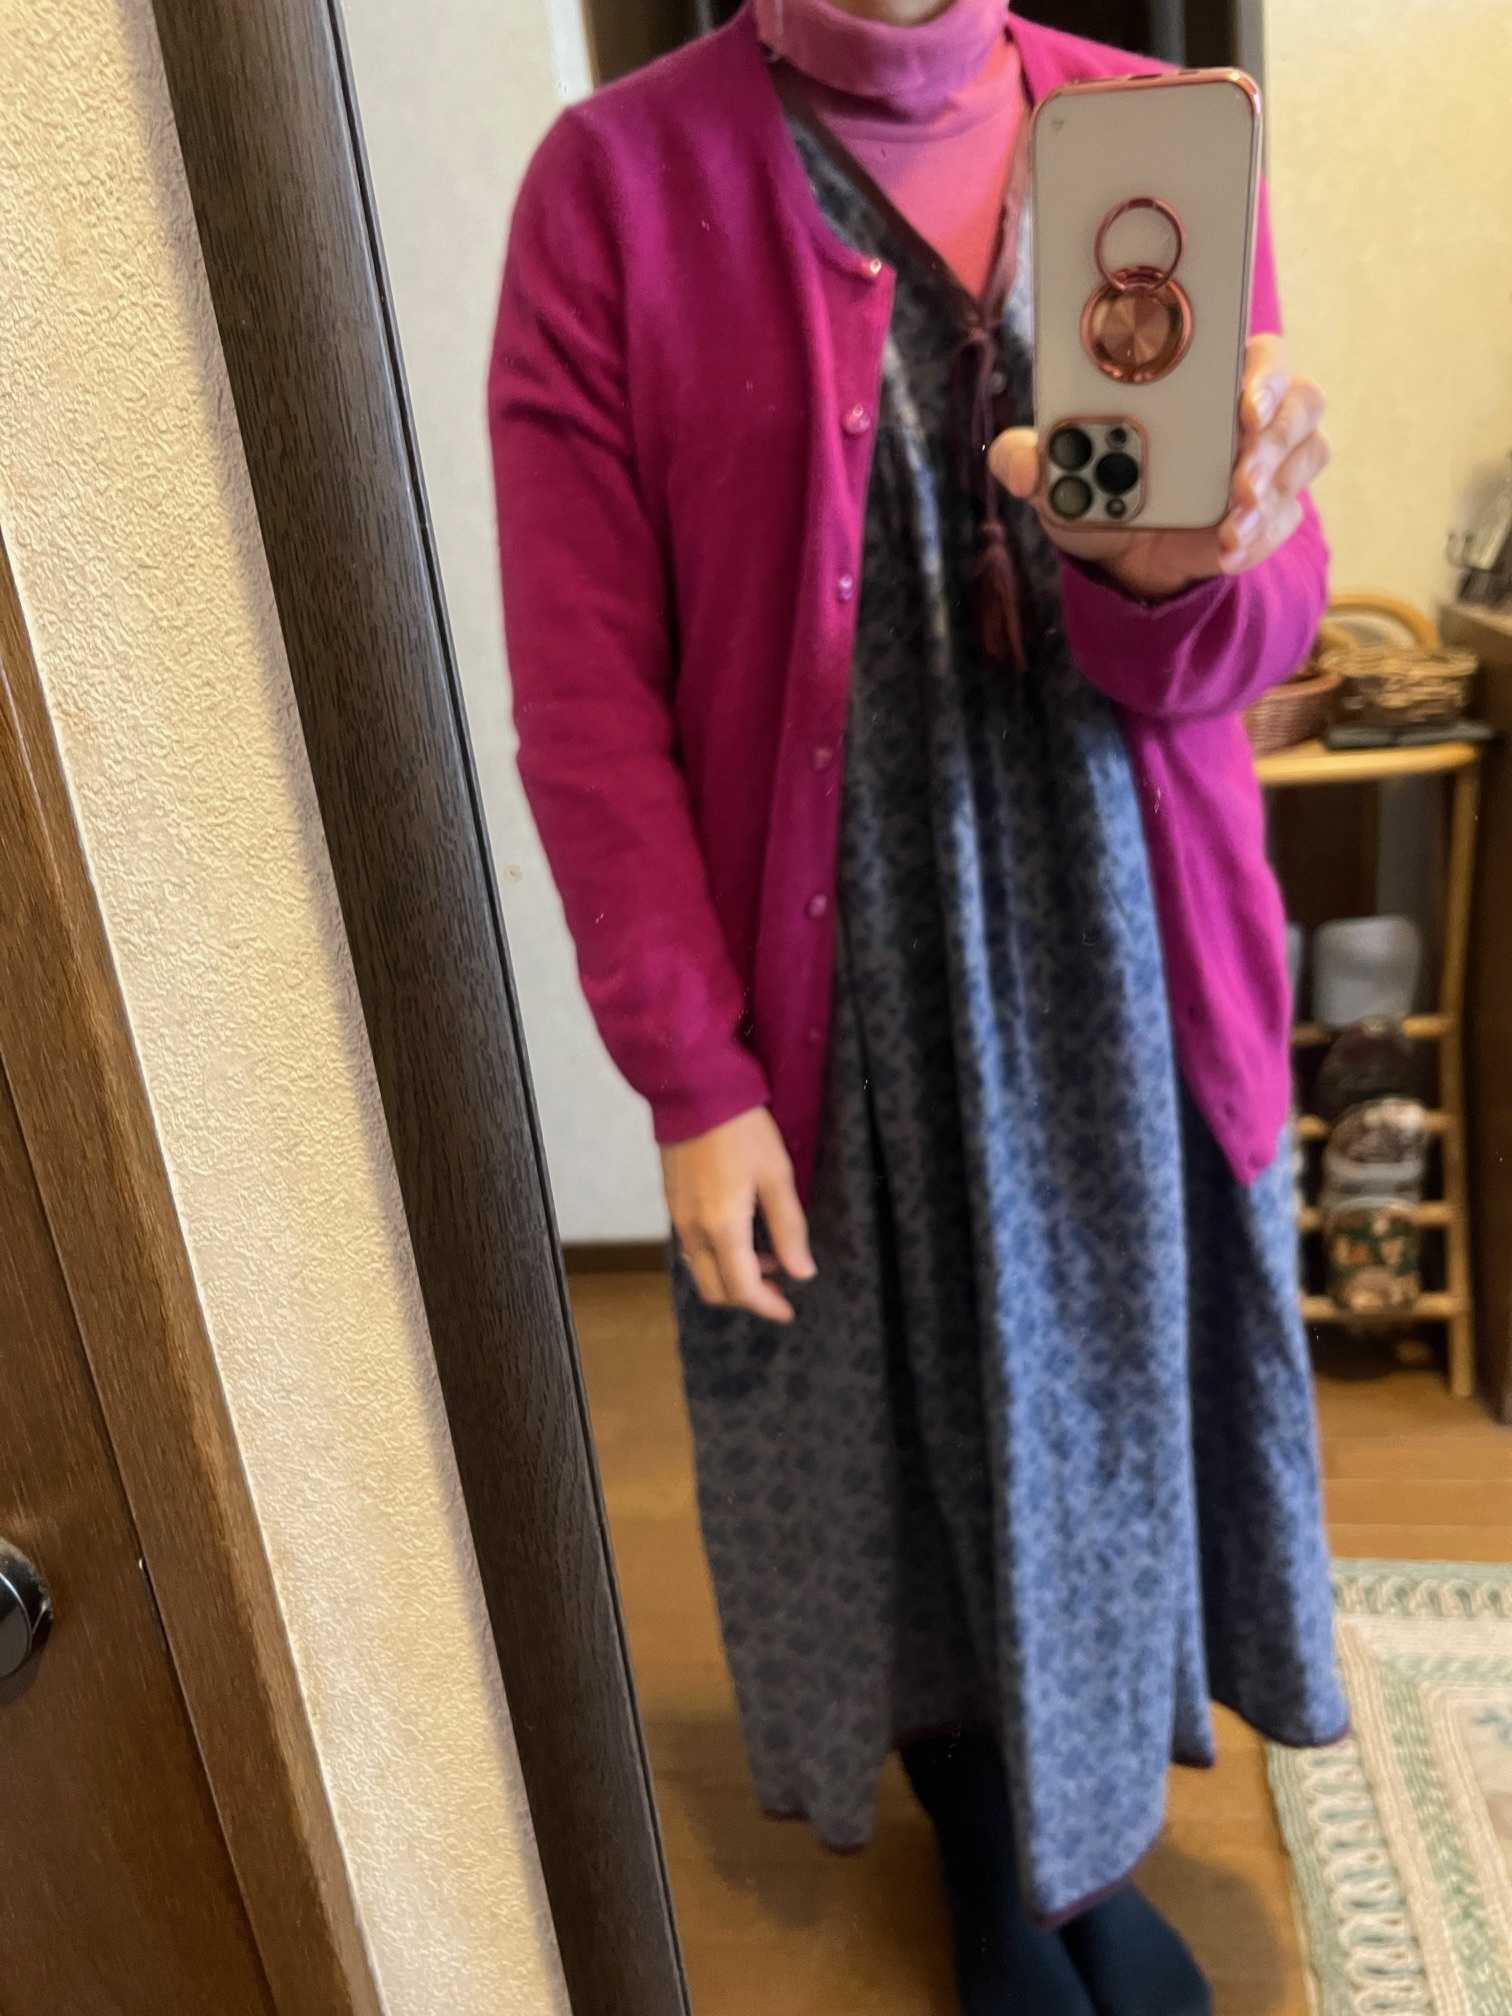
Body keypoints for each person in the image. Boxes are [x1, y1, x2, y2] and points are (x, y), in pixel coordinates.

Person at [489, 2, 1347, 2008]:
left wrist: (1193, 566)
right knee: (902, 1420)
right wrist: (693, 1078)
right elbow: (587, 702)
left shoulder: (1142, 136)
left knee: (1110, 1404)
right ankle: (996, 1860)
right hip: (841, 978)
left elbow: (1255, 629)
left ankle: (1082, 1855)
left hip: (1126, 949)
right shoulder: (616, 191)